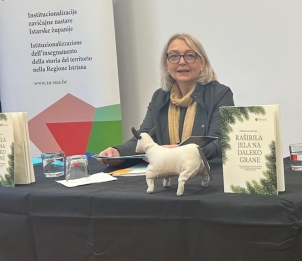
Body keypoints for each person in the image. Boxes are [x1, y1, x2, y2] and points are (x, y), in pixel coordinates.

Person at [99, 33, 234, 165]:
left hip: (207, 172)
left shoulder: (220, 94)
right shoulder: (160, 97)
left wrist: (180, 151)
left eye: (190, 55)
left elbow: (219, 141)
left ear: (202, 63)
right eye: (174, 56)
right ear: (166, 64)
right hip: (167, 173)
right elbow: (144, 137)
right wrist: (118, 152)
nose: (182, 62)